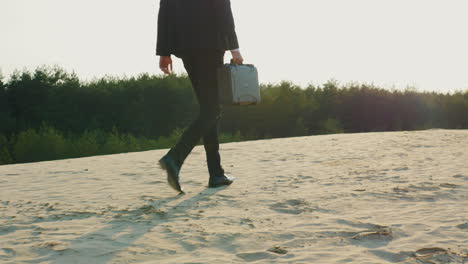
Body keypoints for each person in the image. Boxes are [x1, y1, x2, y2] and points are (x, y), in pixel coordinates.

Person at [156, 0, 244, 193]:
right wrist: (234, 48)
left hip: (185, 48)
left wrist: (163, 52)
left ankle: (216, 174)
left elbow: (165, 14)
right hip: (210, 46)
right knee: (212, 110)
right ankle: (175, 157)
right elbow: (223, 12)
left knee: (208, 109)